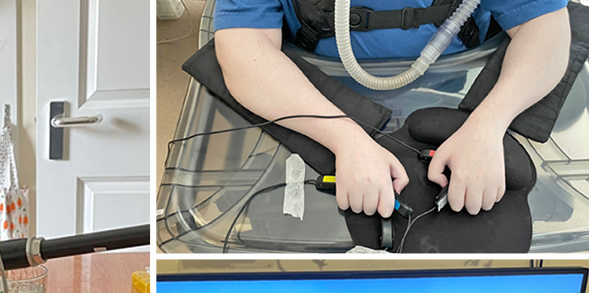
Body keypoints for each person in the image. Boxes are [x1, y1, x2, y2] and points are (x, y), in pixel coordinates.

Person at [214, 0, 571, 216]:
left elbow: (545, 25)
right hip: (304, 97)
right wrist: (345, 139)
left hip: (449, 94)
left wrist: (488, 125)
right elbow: (243, 48)